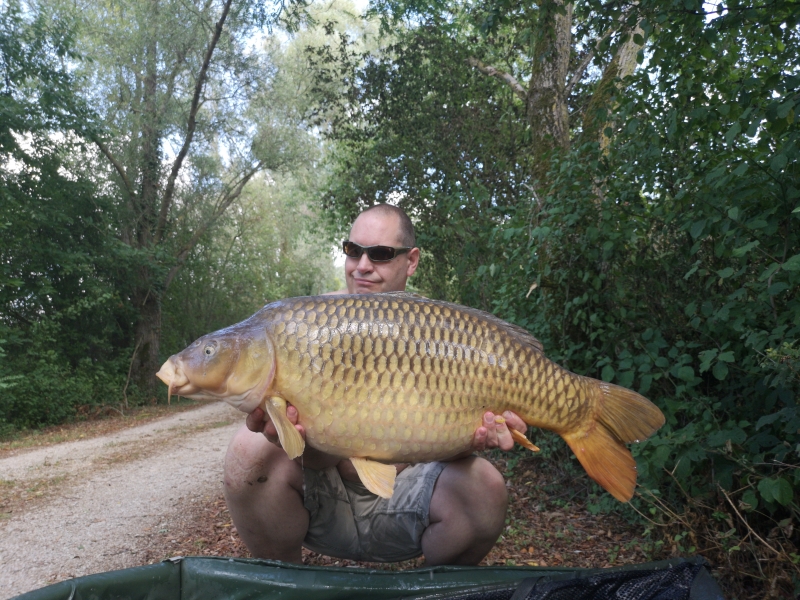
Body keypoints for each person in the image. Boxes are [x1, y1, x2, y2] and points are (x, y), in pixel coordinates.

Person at [223, 204, 527, 565]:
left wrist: (475, 437)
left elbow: (446, 445)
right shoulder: (309, 327)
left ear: (411, 261)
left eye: (380, 254)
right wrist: (287, 436)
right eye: (353, 251)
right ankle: (283, 582)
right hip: (325, 501)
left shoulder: (440, 334)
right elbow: (318, 458)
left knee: (486, 485)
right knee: (248, 451)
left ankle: (435, 591)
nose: (362, 265)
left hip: (407, 501)